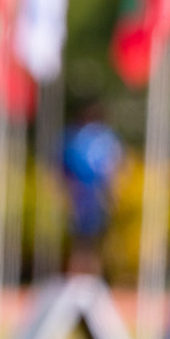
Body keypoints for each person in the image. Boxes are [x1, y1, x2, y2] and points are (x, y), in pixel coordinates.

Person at [62, 105, 125, 277]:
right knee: (84, 243)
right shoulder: (81, 137)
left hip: (93, 196)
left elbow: (115, 166)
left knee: (90, 242)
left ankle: (88, 279)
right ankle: (83, 279)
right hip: (85, 195)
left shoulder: (96, 138)